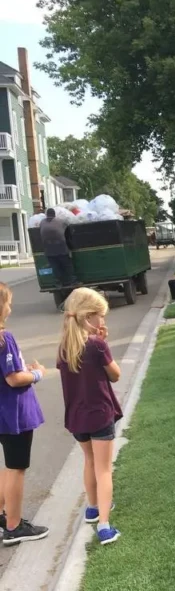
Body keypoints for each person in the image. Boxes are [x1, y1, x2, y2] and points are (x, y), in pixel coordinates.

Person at [57, 287, 122, 545]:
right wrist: (104, 343)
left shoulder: (64, 346)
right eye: (100, 316)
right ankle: (105, 526)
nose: (103, 322)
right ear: (88, 317)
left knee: (89, 460)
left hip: (77, 416)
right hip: (100, 414)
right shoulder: (96, 345)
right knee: (104, 469)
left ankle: (93, 507)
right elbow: (115, 374)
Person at [0, 282, 48, 544]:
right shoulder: (4, 338)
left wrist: (24, 369)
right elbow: (13, 378)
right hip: (13, 413)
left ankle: (2, 515)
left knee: (8, 467)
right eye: (8, 302)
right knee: (17, 468)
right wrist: (38, 373)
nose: (10, 306)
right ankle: (14, 526)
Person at [40, 208, 77, 292]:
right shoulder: (60, 221)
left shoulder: (42, 222)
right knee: (67, 265)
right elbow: (69, 227)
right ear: (54, 214)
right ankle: (73, 281)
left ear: (46, 215)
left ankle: (58, 284)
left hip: (49, 250)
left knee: (55, 267)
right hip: (61, 248)